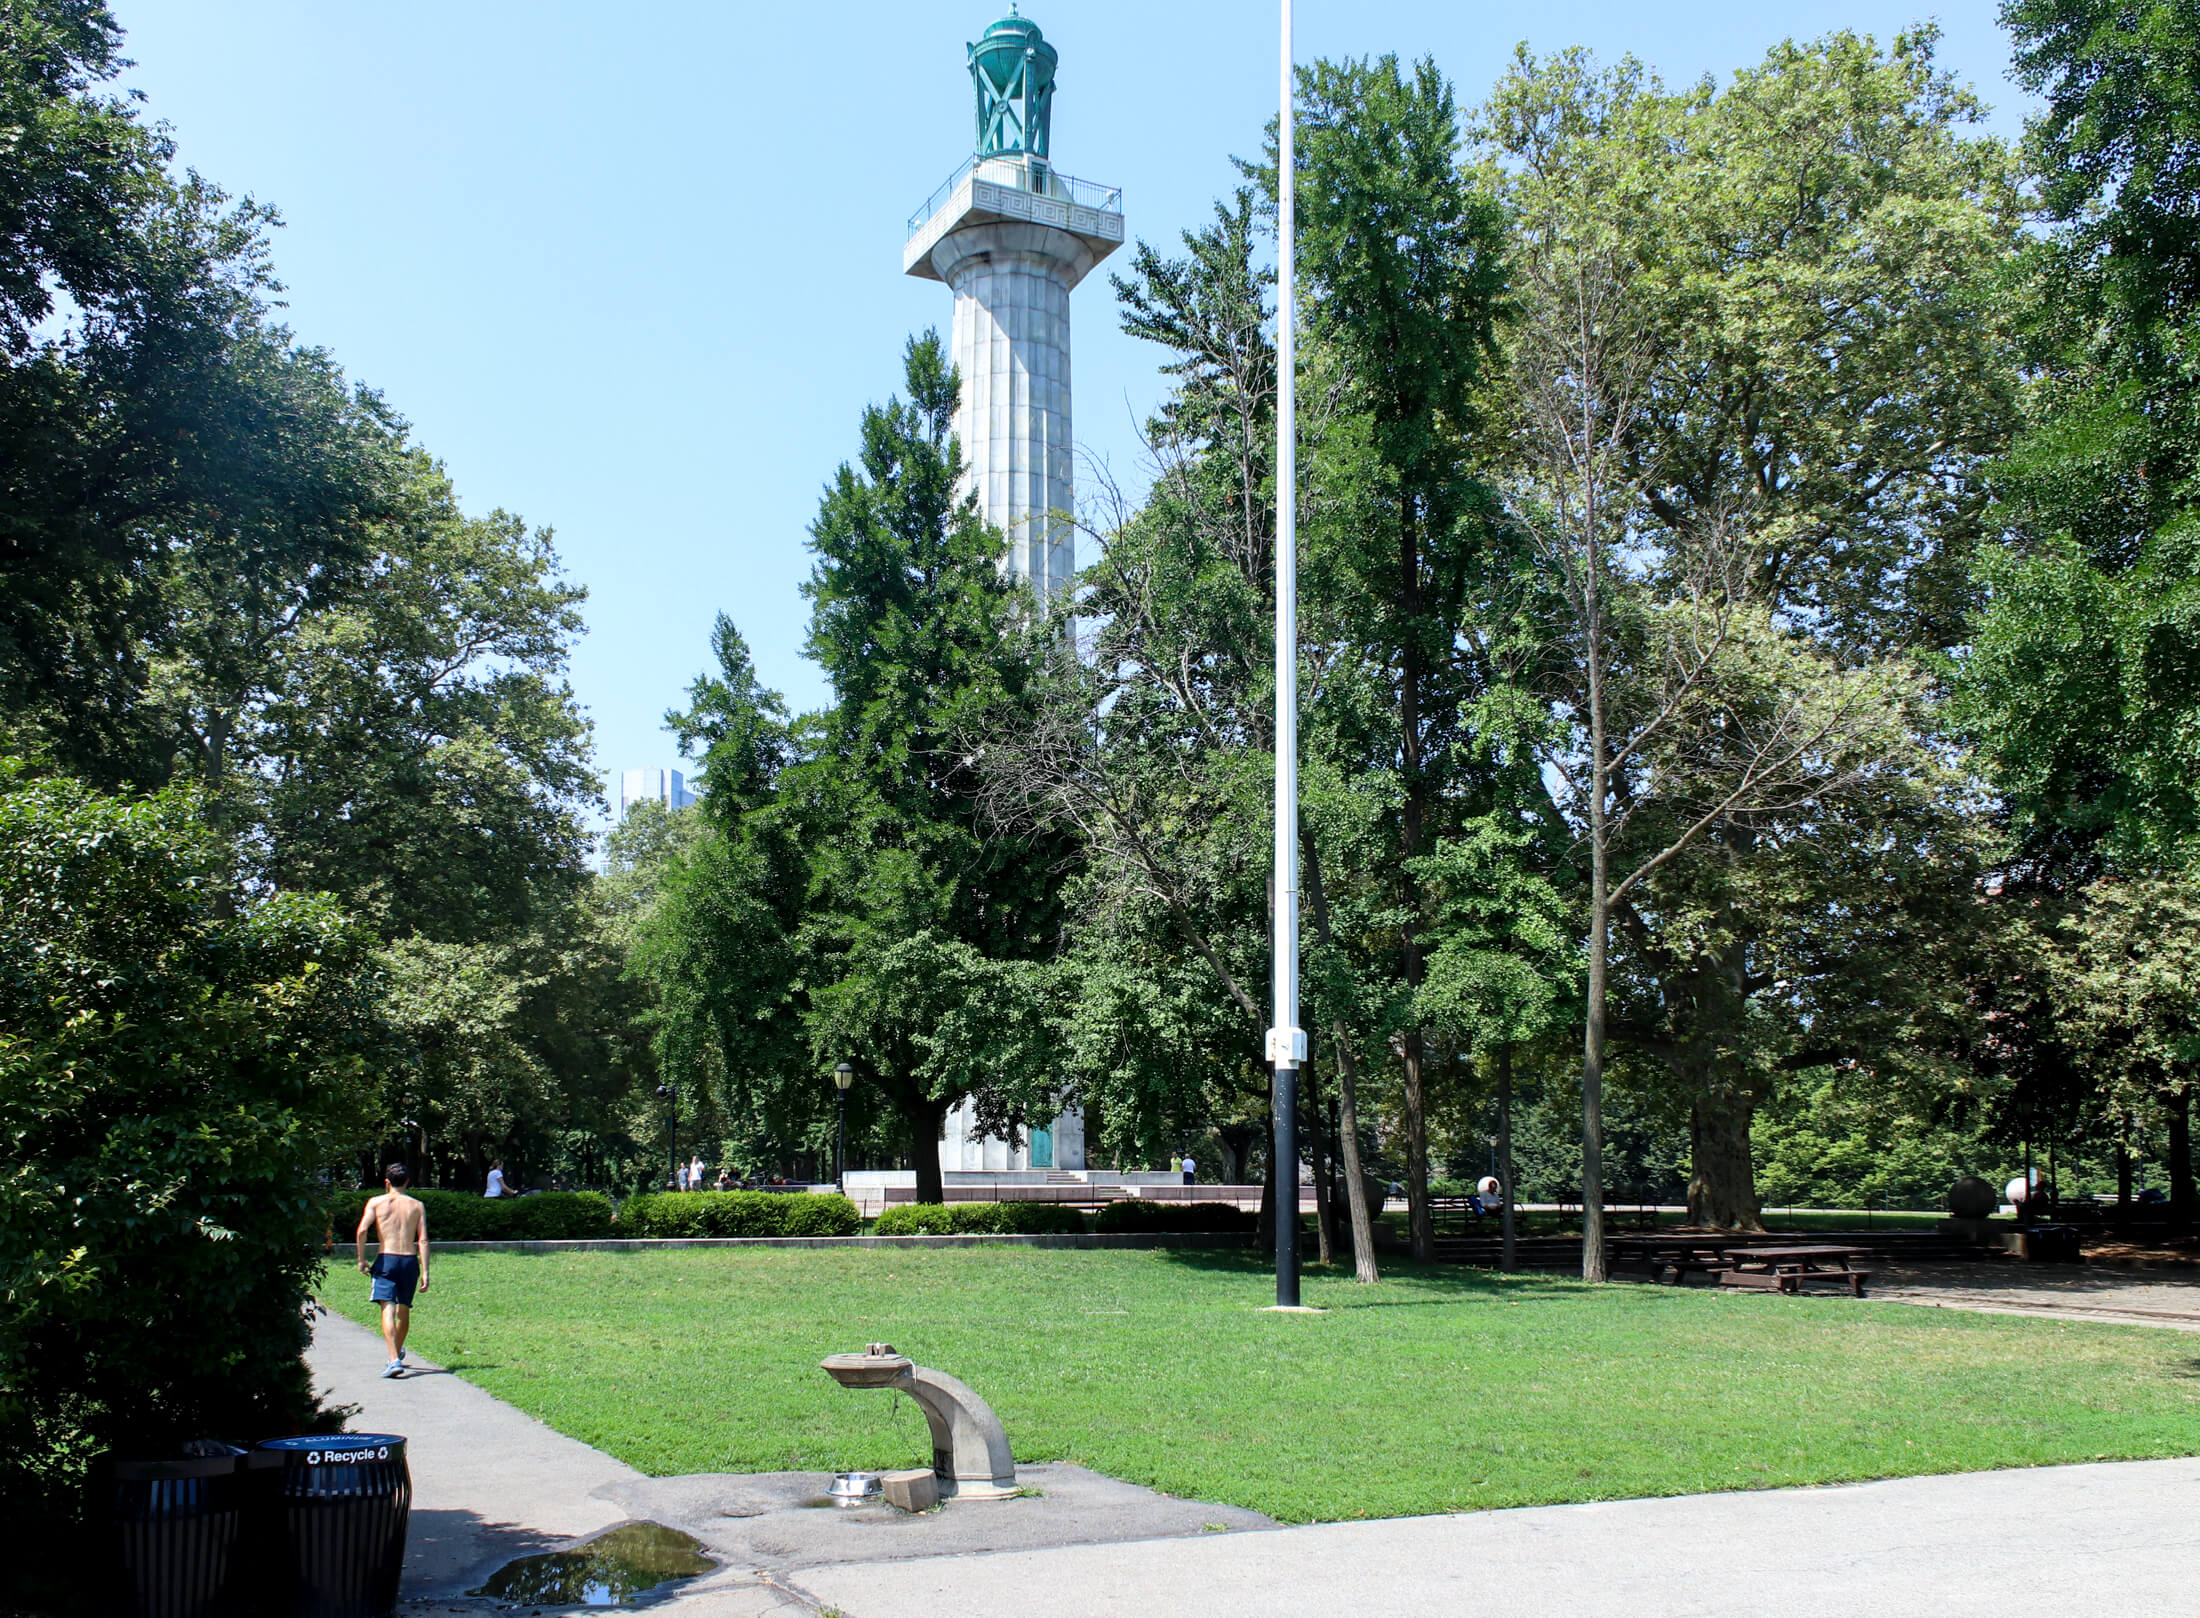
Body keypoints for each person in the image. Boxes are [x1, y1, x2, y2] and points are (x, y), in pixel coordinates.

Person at [355, 1163, 429, 1379]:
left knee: (387, 1308)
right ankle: (395, 1353)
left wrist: (361, 1259)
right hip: (409, 1260)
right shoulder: (417, 1205)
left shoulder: (376, 1202)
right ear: (407, 1182)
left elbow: (362, 1231)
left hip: (386, 1259)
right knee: (403, 1309)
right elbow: (422, 1239)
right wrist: (426, 1271)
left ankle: (394, 1359)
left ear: (386, 1182)